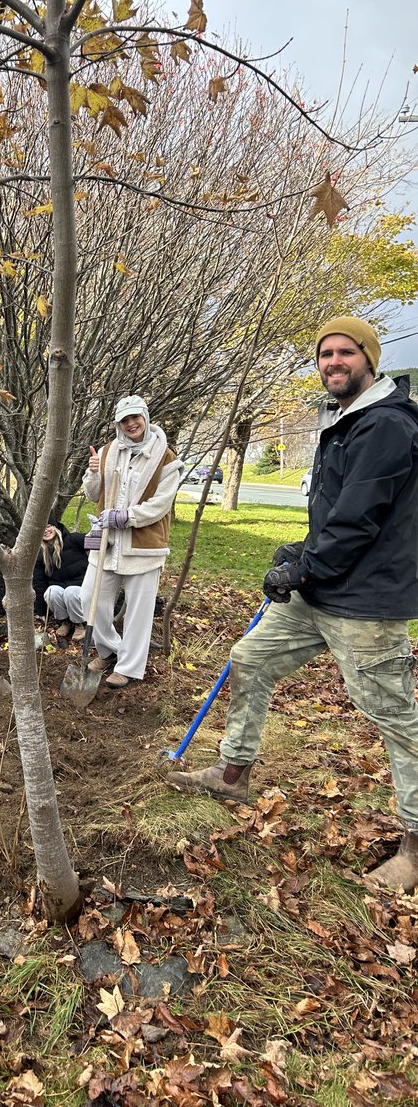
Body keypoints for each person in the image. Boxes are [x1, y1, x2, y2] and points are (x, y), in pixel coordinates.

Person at [164, 317, 418, 893]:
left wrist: (306, 566)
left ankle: (415, 846)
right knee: (250, 657)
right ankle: (233, 773)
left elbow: (360, 520)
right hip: (322, 588)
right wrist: (299, 549)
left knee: (396, 720)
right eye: (325, 354)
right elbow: (333, 519)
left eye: (345, 353)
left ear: (369, 359)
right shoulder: (347, 422)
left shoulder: (385, 425)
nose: (333, 362)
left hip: (366, 600)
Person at [81, 396, 183, 688]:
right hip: (108, 543)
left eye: (135, 418)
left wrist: (126, 517)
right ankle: (110, 649)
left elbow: (161, 504)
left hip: (144, 546)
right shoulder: (109, 450)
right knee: (91, 598)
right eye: (124, 420)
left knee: (139, 609)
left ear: (146, 417)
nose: (131, 424)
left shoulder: (166, 457)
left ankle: (129, 667)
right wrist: (92, 471)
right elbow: (93, 493)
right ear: (118, 424)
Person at [33, 516, 88, 641]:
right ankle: (65, 622)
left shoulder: (73, 539)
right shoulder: (41, 555)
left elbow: (98, 544)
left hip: (82, 588)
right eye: (41, 529)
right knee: (51, 591)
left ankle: (80, 625)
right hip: (62, 591)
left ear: (55, 526)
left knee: (70, 592)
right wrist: (41, 614)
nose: (45, 531)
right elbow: (39, 583)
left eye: (48, 526)